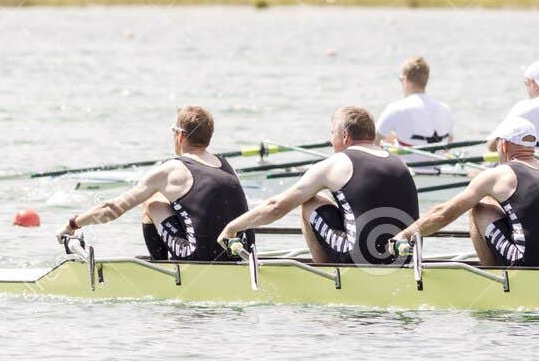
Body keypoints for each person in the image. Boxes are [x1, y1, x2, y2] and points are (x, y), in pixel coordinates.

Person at [218, 105, 419, 265]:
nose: (331, 141)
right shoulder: (399, 162)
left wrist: (233, 227)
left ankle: (327, 275)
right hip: (404, 256)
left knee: (309, 203)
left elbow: (276, 207)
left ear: (345, 136)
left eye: (332, 133)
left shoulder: (336, 163)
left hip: (361, 256)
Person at [57, 106, 247, 263]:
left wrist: (73, 224)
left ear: (180, 136)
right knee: (167, 200)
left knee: (151, 203)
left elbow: (113, 209)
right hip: (240, 252)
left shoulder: (172, 169)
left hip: (200, 257)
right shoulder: (226, 165)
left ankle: (161, 269)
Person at [396, 116, 539, 268]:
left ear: (504, 146)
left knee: (478, 209)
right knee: (492, 201)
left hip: (526, 264)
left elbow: (444, 214)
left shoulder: (499, 174)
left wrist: (404, 235)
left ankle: (491, 276)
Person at [376, 56, 454, 147]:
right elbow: (449, 144)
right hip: (439, 160)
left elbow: (373, 143)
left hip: (407, 161)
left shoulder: (395, 109)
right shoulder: (446, 109)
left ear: (405, 79)